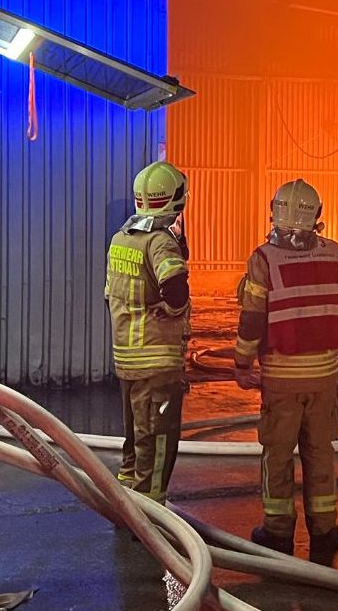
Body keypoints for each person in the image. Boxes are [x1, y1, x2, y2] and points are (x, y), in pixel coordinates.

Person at [233, 179, 338, 566]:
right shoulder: (337, 255)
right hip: (325, 377)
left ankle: (277, 533)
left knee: (277, 454)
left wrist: (242, 362)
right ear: (317, 215)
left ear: (274, 210)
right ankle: (324, 532)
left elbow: (253, 318)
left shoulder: (264, 258)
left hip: (281, 378)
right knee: (319, 452)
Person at [105, 160, 190, 502]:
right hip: (157, 359)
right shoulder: (159, 242)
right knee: (158, 438)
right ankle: (151, 514)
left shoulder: (122, 238)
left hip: (128, 356)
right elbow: (175, 287)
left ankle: (126, 498)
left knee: (135, 436)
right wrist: (172, 310)